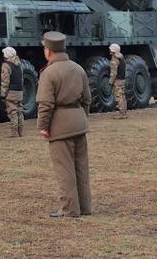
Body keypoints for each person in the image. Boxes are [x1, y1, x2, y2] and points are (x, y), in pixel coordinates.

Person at [36, 31, 92, 218]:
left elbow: (46, 104)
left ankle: (69, 209)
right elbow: (87, 99)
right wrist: (81, 118)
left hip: (60, 126)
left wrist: (43, 126)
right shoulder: (78, 69)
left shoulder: (49, 73)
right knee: (81, 168)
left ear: (49, 52)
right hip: (79, 122)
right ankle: (84, 207)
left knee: (64, 169)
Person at [0, 46, 25, 137]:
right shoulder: (19, 64)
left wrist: (3, 94)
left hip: (11, 92)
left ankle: (14, 133)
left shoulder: (6, 65)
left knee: (12, 112)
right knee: (20, 111)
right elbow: (21, 79)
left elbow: (5, 81)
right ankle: (21, 132)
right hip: (19, 92)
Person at [107, 44, 127, 119]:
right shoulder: (122, 58)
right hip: (123, 80)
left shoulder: (114, 60)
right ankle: (124, 113)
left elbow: (114, 73)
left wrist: (110, 82)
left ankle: (121, 114)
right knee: (123, 96)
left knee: (119, 97)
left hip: (117, 81)